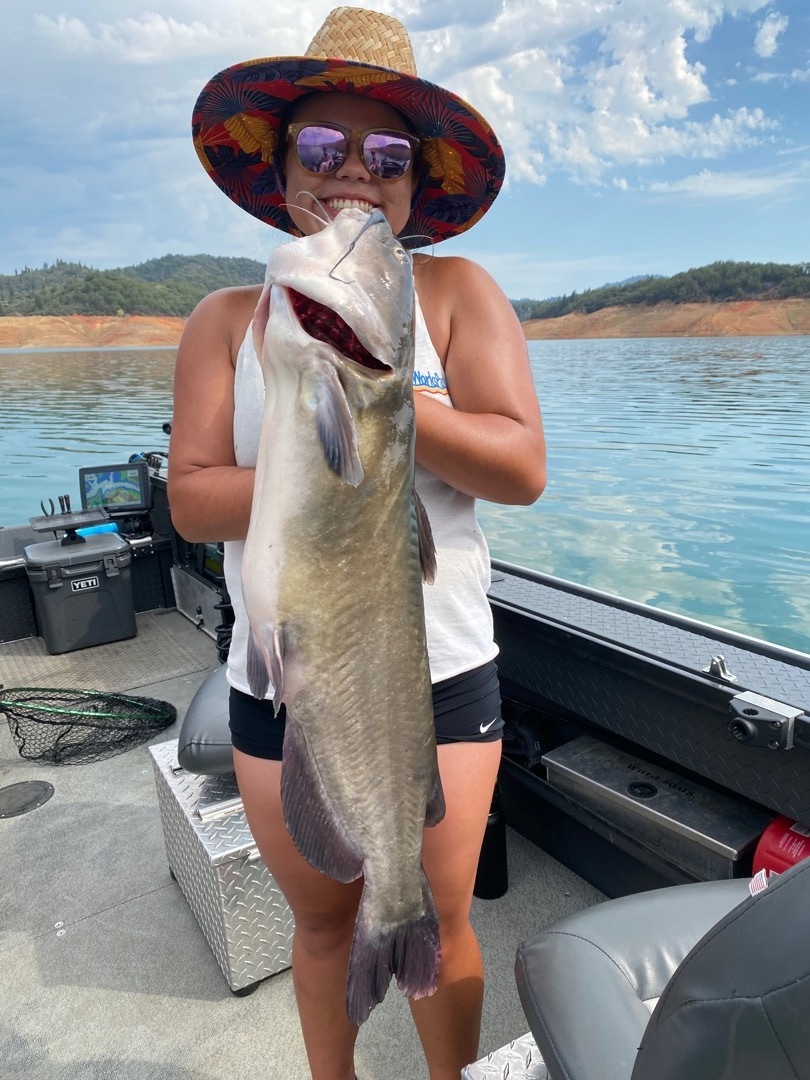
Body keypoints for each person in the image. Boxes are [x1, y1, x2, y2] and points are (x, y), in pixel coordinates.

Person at [168, 8, 546, 1080]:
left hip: (442, 670)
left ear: (416, 184)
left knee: (437, 911)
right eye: (321, 149)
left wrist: (383, 405)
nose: (352, 175)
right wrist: (334, 456)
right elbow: (193, 503)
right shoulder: (225, 317)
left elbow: (521, 467)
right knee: (325, 926)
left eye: (385, 156)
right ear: (281, 168)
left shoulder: (459, 297)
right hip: (279, 674)